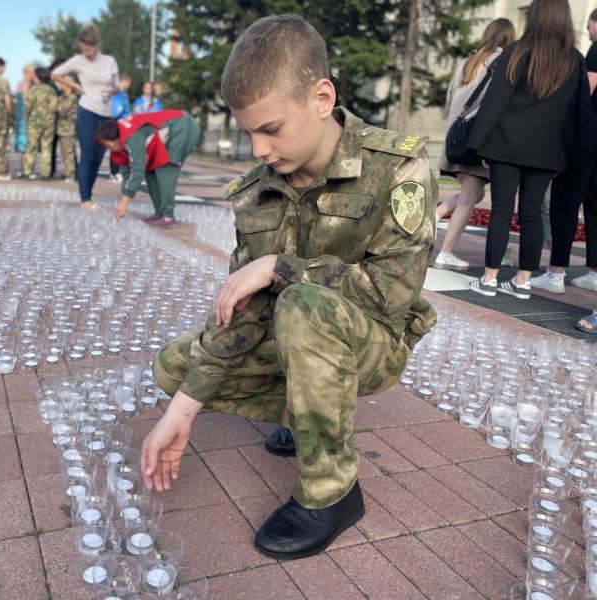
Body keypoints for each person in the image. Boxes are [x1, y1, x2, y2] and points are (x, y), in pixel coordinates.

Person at [141, 15, 436, 559]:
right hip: (294, 332)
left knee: (302, 303)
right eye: (247, 131)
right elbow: (246, 311)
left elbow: (391, 294)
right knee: (173, 368)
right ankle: (302, 417)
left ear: (322, 98)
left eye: (270, 129)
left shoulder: (397, 166)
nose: (256, 149)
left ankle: (332, 492)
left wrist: (283, 267)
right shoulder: (257, 190)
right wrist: (180, 414)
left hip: (372, 342)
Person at [468, 0, 590, 300]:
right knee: (532, 214)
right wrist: (576, 155)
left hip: (506, 145)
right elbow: (580, 112)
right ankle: (523, 281)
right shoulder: (574, 60)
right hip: (549, 152)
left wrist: (477, 142)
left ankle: (490, 279)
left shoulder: (517, 52)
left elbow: (496, 101)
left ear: (534, 16)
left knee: (501, 212)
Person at [435, 19, 516, 270]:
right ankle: (445, 252)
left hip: (455, 137)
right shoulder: (502, 62)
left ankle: (432, 218)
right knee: (470, 198)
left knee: (475, 193)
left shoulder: (469, 61)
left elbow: (450, 101)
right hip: (475, 140)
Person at [531, 8, 597, 295]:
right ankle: (594, 271)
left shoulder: (595, 51)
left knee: (566, 202)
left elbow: (589, 89)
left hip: (587, 136)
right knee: (594, 206)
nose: (587, 30)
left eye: (589, 25)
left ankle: (556, 271)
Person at [52, 25, 120, 208]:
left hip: (106, 114)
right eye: (83, 50)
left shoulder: (109, 61)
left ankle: (88, 195)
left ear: (97, 45)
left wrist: (111, 92)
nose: (87, 54)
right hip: (87, 110)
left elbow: (118, 86)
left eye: (89, 50)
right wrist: (74, 86)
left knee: (98, 157)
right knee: (87, 154)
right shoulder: (77, 61)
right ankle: (85, 199)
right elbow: (55, 75)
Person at [97, 109, 201, 227]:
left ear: (114, 139)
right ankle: (159, 213)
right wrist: (124, 197)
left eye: (107, 145)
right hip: (171, 130)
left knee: (165, 169)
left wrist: (125, 202)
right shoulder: (121, 138)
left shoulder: (132, 137)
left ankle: (168, 217)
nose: (108, 149)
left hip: (182, 126)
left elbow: (137, 171)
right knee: (150, 171)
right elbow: (127, 173)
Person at [21, 67, 58, 180]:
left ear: (38, 78)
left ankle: (28, 171)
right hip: (49, 122)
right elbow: (54, 106)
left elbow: (28, 105)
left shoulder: (33, 90)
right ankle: (45, 173)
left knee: (31, 147)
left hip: (35, 121)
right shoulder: (52, 90)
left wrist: (27, 117)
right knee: (46, 147)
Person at [109, 73, 133, 183]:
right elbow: (116, 110)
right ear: (124, 81)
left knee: (121, 148)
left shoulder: (122, 93)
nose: (129, 85)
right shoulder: (119, 93)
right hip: (119, 124)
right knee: (117, 148)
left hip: (123, 124)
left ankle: (116, 172)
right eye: (128, 83)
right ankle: (114, 172)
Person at [56, 78, 78, 182]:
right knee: (64, 152)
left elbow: (62, 110)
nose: (61, 86)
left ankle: (71, 174)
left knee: (68, 152)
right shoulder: (64, 97)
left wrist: (56, 102)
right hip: (63, 128)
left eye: (63, 84)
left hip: (68, 129)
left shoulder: (71, 97)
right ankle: (67, 172)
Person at [14, 63, 35, 155]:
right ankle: (25, 169)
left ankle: (23, 169)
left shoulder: (19, 83)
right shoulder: (26, 84)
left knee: (23, 146)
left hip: (20, 115)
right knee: (25, 146)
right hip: (25, 116)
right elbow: (26, 100)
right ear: (29, 73)